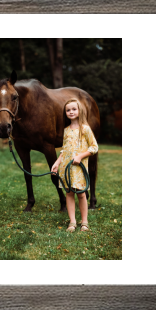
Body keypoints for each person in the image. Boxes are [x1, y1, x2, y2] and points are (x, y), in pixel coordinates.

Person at [51, 98, 98, 232]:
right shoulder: (66, 130)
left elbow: (94, 147)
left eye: (73, 109)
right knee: (69, 193)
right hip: (66, 167)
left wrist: (80, 156)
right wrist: (56, 163)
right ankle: (72, 222)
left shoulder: (85, 129)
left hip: (79, 168)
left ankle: (84, 222)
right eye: (68, 110)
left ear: (79, 111)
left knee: (81, 194)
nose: (71, 112)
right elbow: (64, 150)